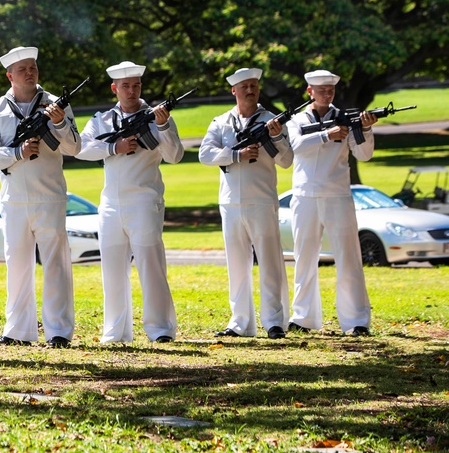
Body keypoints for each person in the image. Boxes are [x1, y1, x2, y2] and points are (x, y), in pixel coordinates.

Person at [0, 46, 81, 348]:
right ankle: (18, 331)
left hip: (49, 196)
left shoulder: (55, 104)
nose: (29, 72)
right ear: (9, 75)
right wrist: (17, 153)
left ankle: (59, 331)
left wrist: (60, 123)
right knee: (17, 264)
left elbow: (75, 147)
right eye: (22, 69)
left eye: (33, 66)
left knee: (56, 263)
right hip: (14, 199)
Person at [76, 61, 183, 343]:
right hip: (110, 202)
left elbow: (175, 155)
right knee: (111, 268)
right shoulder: (102, 119)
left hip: (145, 200)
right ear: (115, 88)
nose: (132, 91)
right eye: (125, 86)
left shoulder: (155, 116)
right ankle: (116, 331)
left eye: (136, 85)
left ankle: (160, 328)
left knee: (151, 265)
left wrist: (164, 125)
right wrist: (114, 146)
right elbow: (81, 147)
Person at [198, 67, 293, 339]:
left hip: (262, 200)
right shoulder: (221, 122)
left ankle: (275, 321)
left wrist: (275, 136)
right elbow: (205, 154)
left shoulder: (272, 120)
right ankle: (240, 322)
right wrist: (235, 155)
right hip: (230, 203)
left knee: (270, 261)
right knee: (237, 265)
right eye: (244, 87)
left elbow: (286, 161)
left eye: (253, 85)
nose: (250, 90)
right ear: (234, 91)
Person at [286, 69, 376, 336]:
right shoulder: (296, 119)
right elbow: (296, 147)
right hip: (304, 196)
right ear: (309, 92)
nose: (327, 94)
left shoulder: (344, 118)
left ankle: (356, 320)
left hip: (337, 195)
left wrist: (366, 128)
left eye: (331, 90)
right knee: (304, 258)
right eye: (321, 90)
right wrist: (326, 135)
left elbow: (364, 154)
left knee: (349, 257)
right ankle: (303, 317)